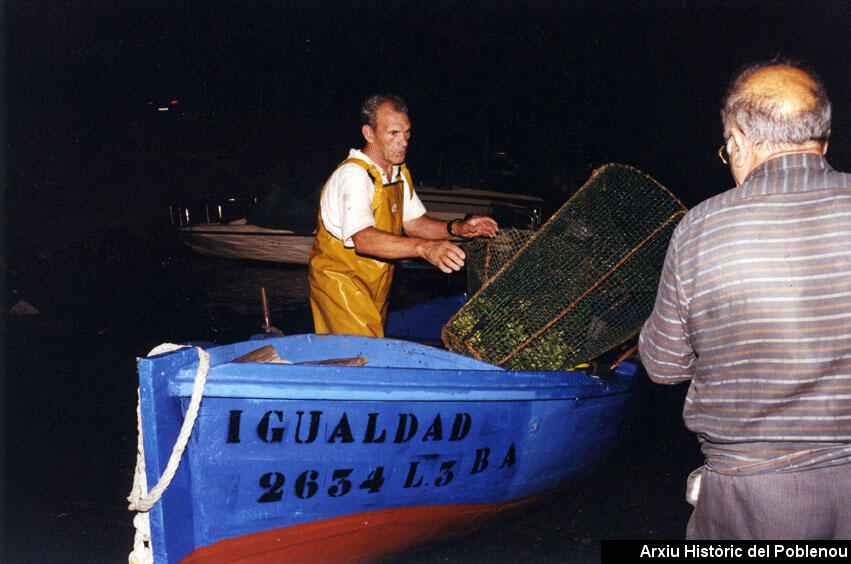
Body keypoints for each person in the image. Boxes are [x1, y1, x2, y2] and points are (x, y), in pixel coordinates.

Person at [639, 61, 851, 539]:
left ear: (737, 139)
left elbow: (663, 365)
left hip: (760, 498)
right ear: (825, 135)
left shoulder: (700, 228)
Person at [308, 93, 498, 337]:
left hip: (375, 284)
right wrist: (425, 248)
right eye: (393, 134)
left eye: (407, 132)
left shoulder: (396, 173)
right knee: (362, 357)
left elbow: (413, 223)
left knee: (371, 348)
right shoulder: (354, 176)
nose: (404, 141)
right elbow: (363, 240)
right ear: (369, 134)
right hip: (341, 283)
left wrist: (458, 228)